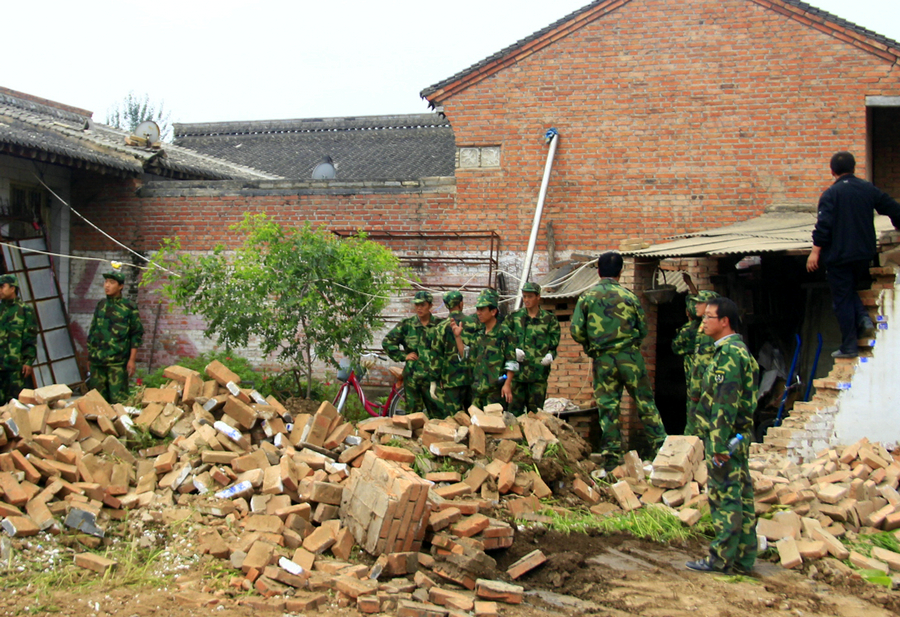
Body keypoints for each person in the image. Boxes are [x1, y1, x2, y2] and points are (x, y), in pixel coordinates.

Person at [571, 252, 667, 470]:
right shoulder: (629, 297)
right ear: (621, 272)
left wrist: (592, 348)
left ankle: (612, 459)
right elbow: (643, 328)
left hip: (603, 359)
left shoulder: (587, 297)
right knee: (645, 403)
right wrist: (630, 346)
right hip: (630, 358)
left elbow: (576, 331)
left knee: (608, 408)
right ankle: (662, 451)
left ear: (598, 271)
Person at [687, 297, 759, 574]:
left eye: (709, 317)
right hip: (736, 438)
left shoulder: (729, 354)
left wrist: (718, 445)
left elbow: (725, 403)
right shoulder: (735, 351)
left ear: (725, 321)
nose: (703, 322)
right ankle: (743, 558)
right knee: (742, 498)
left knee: (725, 499)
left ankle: (721, 559)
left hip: (726, 441)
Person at [807, 151, 900, 358]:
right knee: (847, 291)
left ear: (832, 171)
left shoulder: (831, 194)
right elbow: (893, 208)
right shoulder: (867, 189)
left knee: (842, 299)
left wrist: (815, 252)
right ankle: (863, 319)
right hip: (864, 255)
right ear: (854, 168)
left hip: (839, 257)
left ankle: (849, 346)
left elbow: (823, 227)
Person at [453, 289, 517, 409]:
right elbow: (466, 356)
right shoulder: (479, 334)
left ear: (493, 311)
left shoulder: (504, 333)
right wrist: (458, 337)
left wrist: (507, 384)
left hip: (495, 393)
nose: (478, 313)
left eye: (482, 309)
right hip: (477, 392)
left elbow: (512, 362)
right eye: (477, 309)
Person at [383, 290, 443, 415]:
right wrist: (403, 356)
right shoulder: (407, 325)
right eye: (417, 304)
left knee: (439, 414)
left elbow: (449, 349)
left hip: (433, 378)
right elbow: (388, 342)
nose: (419, 308)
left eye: (423, 305)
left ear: (430, 305)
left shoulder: (440, 325)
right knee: (412, 415)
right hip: (412, 377)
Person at [87, 270, 144, 403]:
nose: (107, 285)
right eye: (106, 282)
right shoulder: (101, 305)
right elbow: (93, 330)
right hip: (97, 361)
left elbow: (136, 334)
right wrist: (89, 356)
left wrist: (132, 360)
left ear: (120, 286)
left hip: (117, 362)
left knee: (119, 401)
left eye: (112, 282)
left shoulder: (128, 307)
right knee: (97, 402)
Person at [672, 289, 719, 436]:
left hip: (704, 385)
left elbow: (702, 361)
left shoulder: (708, 329)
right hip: (699, 383)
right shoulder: (701, 327)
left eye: (700, 303)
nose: (696, 306)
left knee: (697, 426)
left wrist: (696, 389)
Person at [508, 282, 560, 415]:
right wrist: (512, 351)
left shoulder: (549, 319)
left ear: (538, 297)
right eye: (524, 296)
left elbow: (554, 344)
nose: (526, 300)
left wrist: (550, 355)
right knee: (514, 414)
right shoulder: (514, 317)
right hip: (517, 376)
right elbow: (503, 339)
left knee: (536, 415)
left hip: (538, 375)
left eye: (530, 296)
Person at [428, 290, 475, 417]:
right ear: (461, 304)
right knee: (475, 418)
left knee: (453, 419)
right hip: (472, 378)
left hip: (451, 380)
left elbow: (436, 355)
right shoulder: (474, 324)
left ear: (447, 306)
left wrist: (433, 380)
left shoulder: (441, 327)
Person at [0, 274, 37, 403]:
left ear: (12, 288)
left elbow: (30, 337)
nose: (0, 290)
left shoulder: (25, 310)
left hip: (15, 367)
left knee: (15, 404)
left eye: (2, 287)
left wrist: (28, 361)